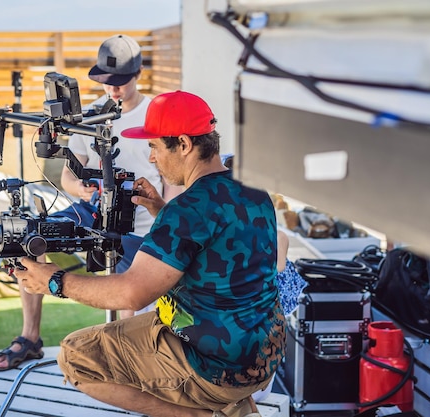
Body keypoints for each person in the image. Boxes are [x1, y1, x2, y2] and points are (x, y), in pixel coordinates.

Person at [16, 90, 286, 417]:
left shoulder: (187, 210)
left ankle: (201, 414)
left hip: (213, 364)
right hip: (264, 354)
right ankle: (233, 406)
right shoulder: (253, 190)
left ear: (184, 144)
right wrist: (161, 210)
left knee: (76, 356)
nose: (153, 158)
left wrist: (54, 281)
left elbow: (132, 292)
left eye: (155, 147)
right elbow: (215, 246)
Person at [0, 34, 181, 371]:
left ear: (137, 74)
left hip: (143, 224)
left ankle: (127, 360)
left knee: (129, 290)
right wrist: (80, 189)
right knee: (26, 235)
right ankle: (30, 337)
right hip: (93, 210)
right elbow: (68, 176)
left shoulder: (156, 114)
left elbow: (173, 184)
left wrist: (164, 223)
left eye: (120, 82)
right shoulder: (90, 115)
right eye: (107, 83)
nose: (114, 90)